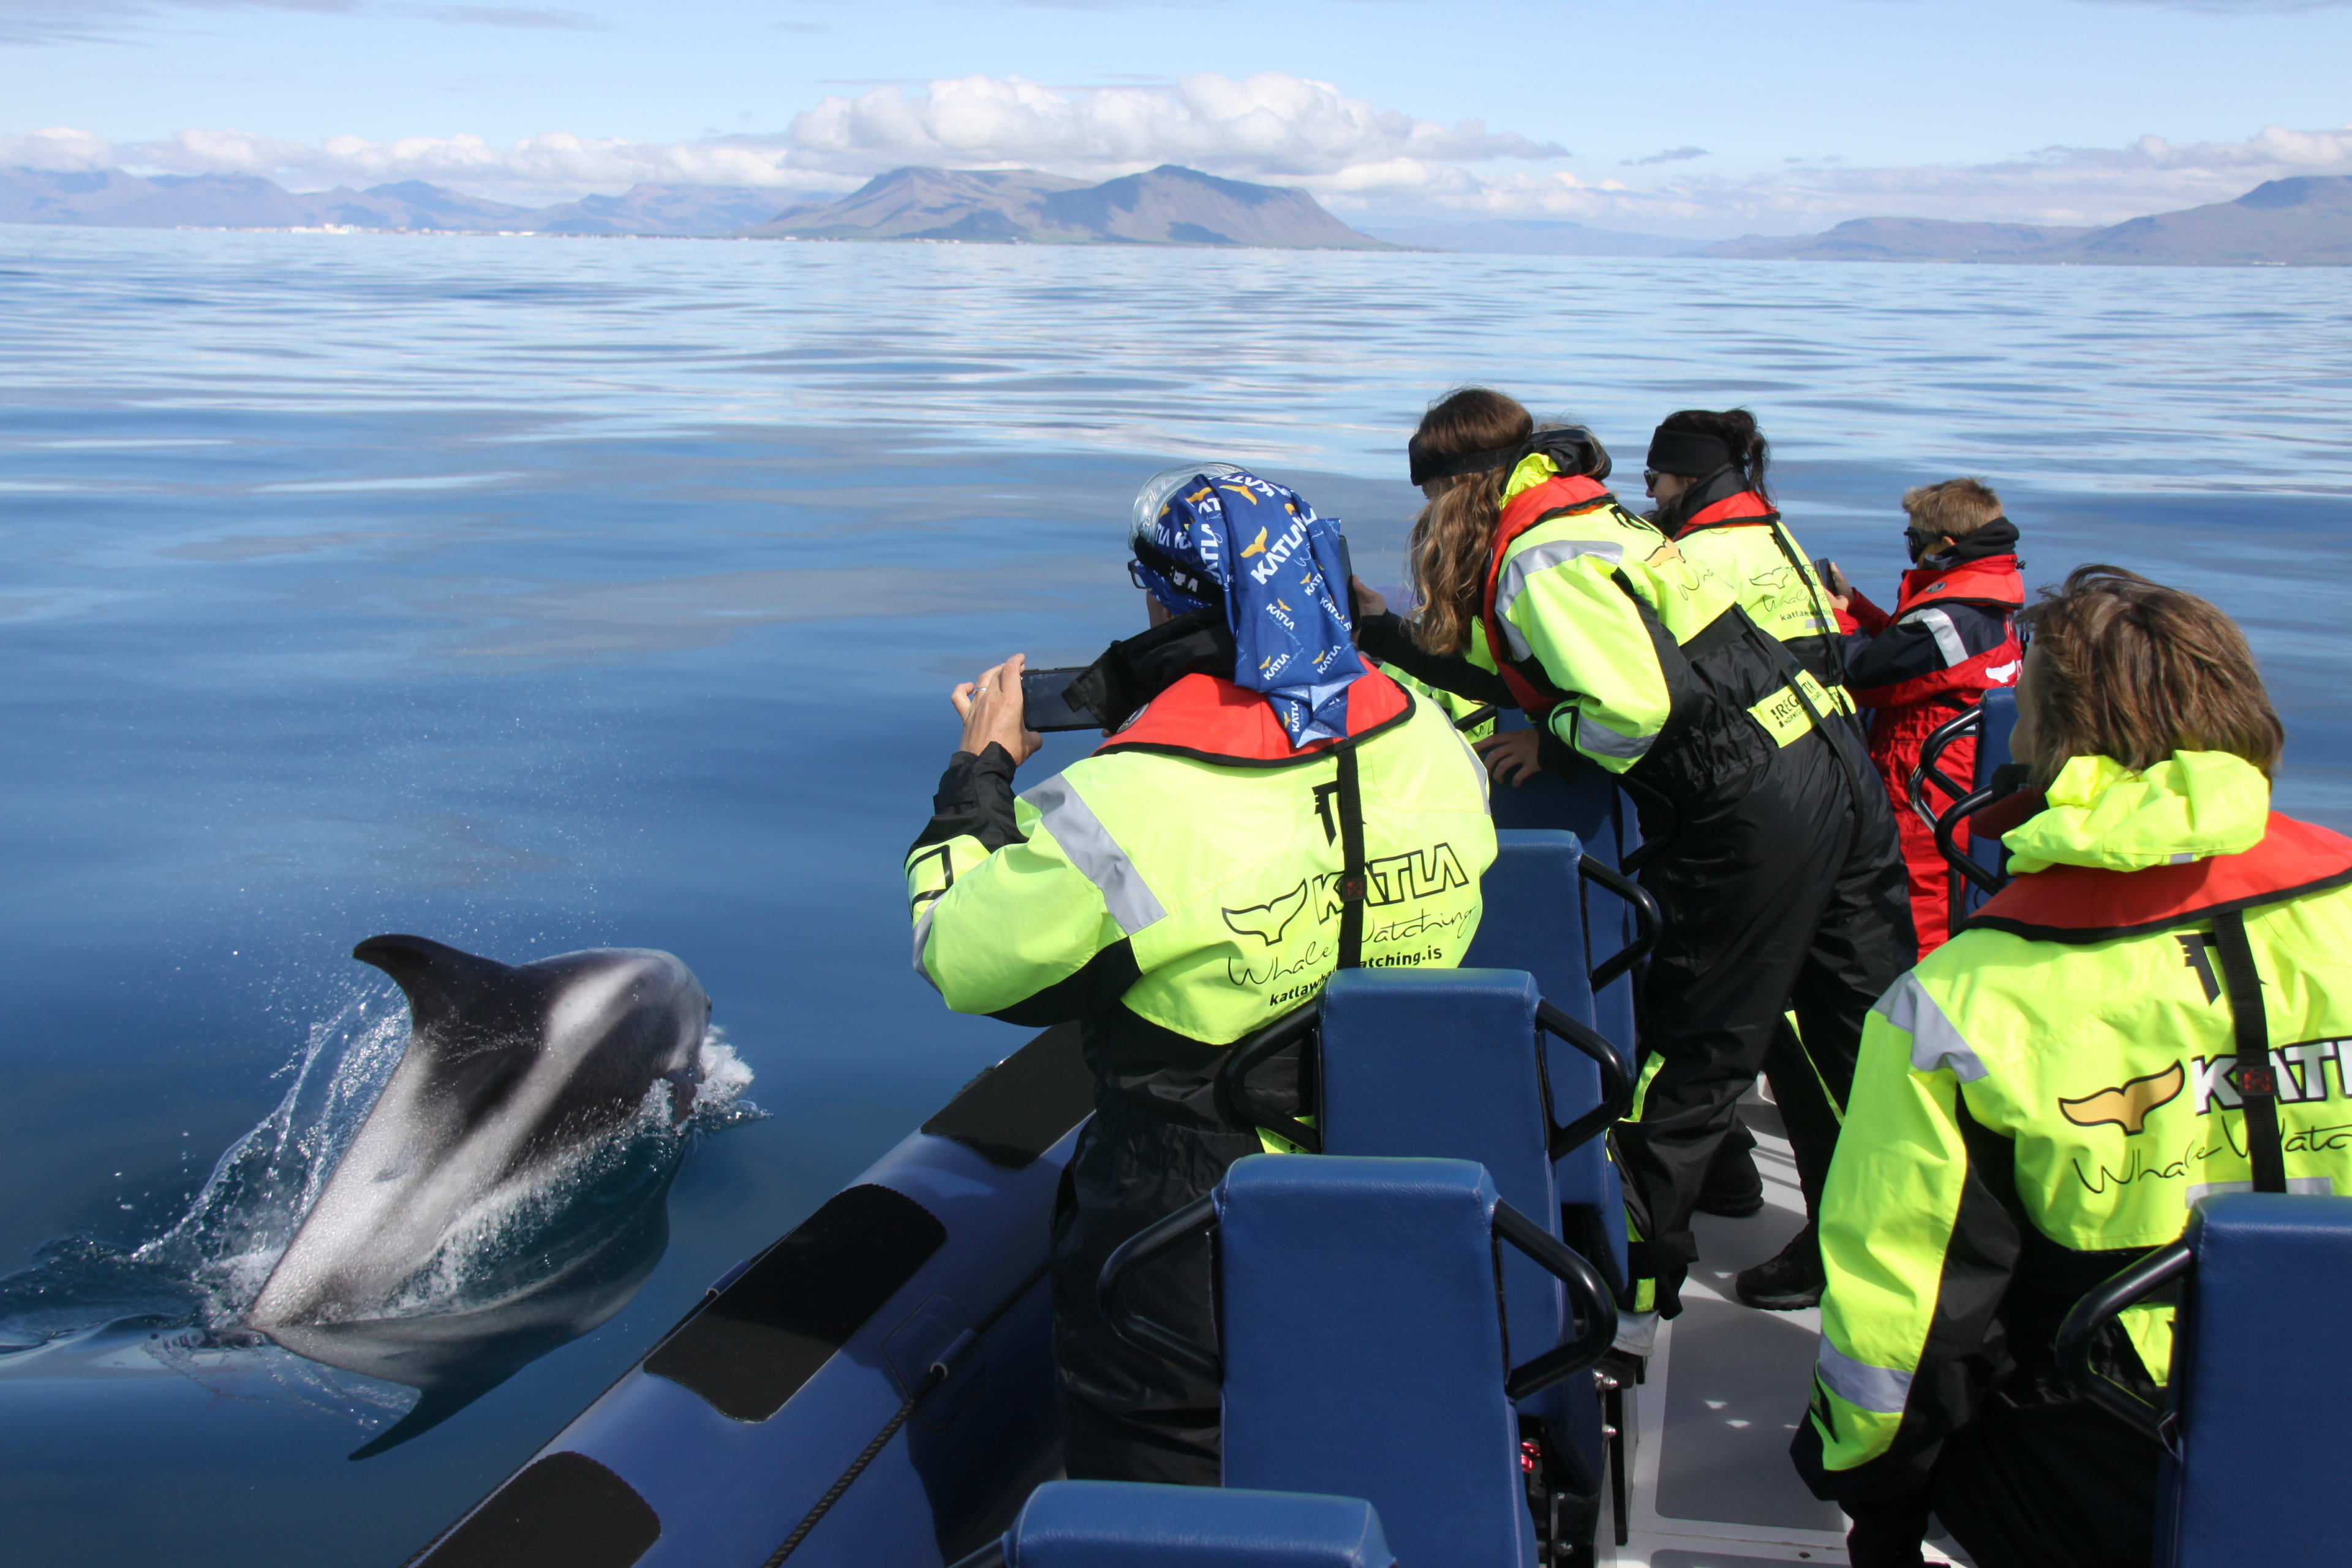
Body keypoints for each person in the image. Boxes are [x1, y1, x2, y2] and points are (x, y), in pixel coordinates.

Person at [905, 462, 1496, 1485]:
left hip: (1189, 1211)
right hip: (1396, 1158)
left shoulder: (1127, 803)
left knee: (1168, 1462)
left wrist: (979, 778)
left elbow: (967, 958)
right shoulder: (1430, 740)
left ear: (1161, 600)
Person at [1794, 565, 2352, 1568]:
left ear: (2047, 742)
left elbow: (1909, 1320)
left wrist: (1864, 1481)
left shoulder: (1960, 1003)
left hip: (2117, 1450)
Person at [1354, 387, 1914, 1321]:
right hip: (1829, 764)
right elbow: (1530, 663)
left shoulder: (1535, 553)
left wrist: (1558, 740)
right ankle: (1883, 1257)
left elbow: (1630, 706)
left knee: (1691, 1044)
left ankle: (1622, 1280)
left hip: (1754, 805)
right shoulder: (1584, 510)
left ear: (1456, 491)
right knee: (1854, 1035)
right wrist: (1386, 633)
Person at [1642, 408, 1900, 1223]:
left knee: (1723, 1017)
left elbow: (1667, 688)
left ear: (1682, 477)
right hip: (1848, 774)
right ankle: (1863, 1225)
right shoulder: (1774, 536)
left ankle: (1706, 1200)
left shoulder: (1694, 555)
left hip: (1773, 792)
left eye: (1653, 480)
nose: (1646, 495)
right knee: (1857, 1026)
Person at [1823, 478, 2026, 951]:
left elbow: (1866, 676)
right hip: (1962, 776)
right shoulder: (1987, 596)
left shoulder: (1956, 617)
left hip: (1927, 787)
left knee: (1916, 909)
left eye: (1915, 539)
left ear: (1945, 545)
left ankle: (1913, 1005)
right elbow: (1910, 650)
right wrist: (1860, 608)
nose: (1911, 549)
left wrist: (1833, 619)